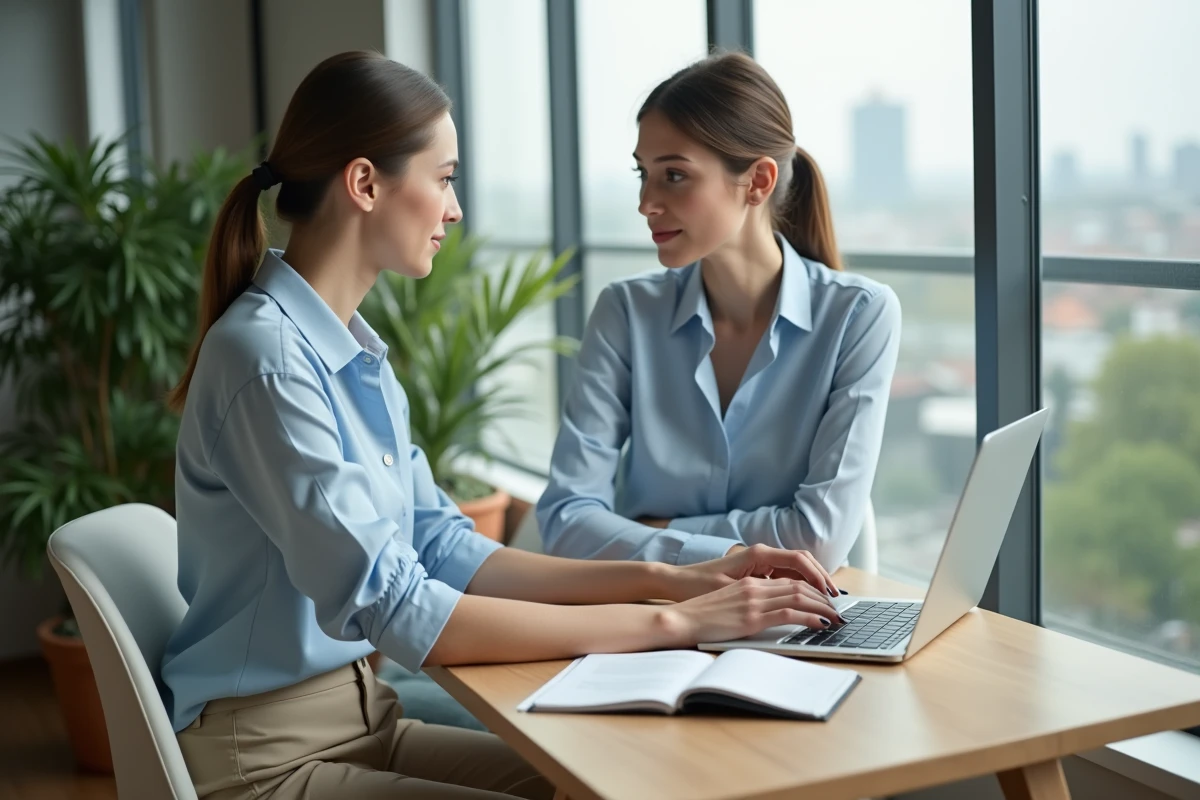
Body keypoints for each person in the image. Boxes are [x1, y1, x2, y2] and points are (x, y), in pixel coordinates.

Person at [161, 51, 843, 800]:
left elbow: (444, 548)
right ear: (364, 184)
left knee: (614, 783)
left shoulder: (353, 355)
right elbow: (400, 607)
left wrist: (676, 580)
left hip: (362, 721)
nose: (454, 210)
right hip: (263, 760)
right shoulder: (267, 360)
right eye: (444, 178)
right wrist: (676, 624)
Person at [537, 52, 902, 572]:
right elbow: (565, 521)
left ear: (758, 182)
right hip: (646, 610)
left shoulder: (858, 317)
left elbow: (819, 541)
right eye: (643, 173)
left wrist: (654, 531)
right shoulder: (626, 312)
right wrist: (730, 547)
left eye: (674, 175)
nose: (646, 202)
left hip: (784, 615)